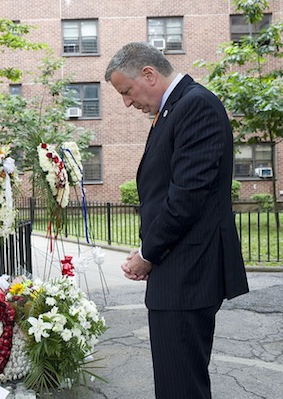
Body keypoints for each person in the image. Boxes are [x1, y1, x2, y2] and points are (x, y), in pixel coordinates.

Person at [104, 42, 249, 399]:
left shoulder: (195, 105)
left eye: (126, 91)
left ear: (149, 74)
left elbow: (186, 196)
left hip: (189, 273)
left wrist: (147, 254)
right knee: (176, 383)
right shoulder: (174, 108)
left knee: (180, 387)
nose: (126, 102)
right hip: (179, 271)